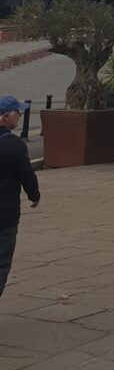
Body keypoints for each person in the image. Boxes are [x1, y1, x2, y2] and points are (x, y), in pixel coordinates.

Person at [1, 96, 37, 298]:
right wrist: (34, 195)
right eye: (17, 112)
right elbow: (26, 174)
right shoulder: (13, 145)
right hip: (5, 213)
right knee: (2, 259)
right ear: (6, 116)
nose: (20, 115)